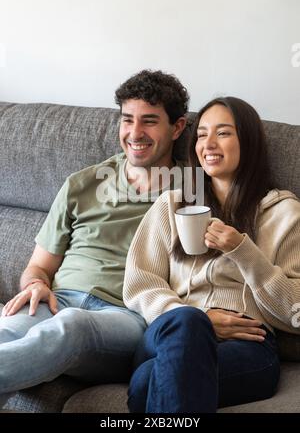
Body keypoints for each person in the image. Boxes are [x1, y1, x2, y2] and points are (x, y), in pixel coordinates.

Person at [0, 69, 189, 407]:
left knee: (72, 326)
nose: (135, 133)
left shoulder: (192, 193)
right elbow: (38, 267)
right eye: (127, 119)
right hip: (58, 302)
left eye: (149, 121)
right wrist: (36, 285)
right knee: (7, 331)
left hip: (125, 318)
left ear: (177, 127)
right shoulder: (81, 183)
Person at [123, 96, 300, 413]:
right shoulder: (172, 204)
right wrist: (199, 321)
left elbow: (296, 310)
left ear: (249, 142)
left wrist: (244, 252)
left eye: (223, 133)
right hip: (170, 328)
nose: (209, 143)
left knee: (146, 382)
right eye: (202, 134)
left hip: (247, 345)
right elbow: (140, 282)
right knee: (187, 323)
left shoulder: (286, 213)